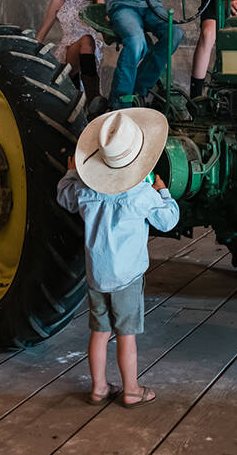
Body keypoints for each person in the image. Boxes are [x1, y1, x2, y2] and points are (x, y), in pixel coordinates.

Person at [56, 108, 180, 407]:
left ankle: (99, 388)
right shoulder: (141, 194)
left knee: (99, 332)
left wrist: (73, 172)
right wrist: (163, 192)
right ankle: (131, 390)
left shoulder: (86, 191)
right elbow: (168, 221)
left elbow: (64, 195)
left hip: (97, 275)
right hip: (127, 277)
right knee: (126, 336)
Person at [35, 0, 107, 115]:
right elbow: (42, 33)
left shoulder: (97, 0)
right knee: (86, 39)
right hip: (68, 54)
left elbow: (105, 31)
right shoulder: (59, 1)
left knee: (89, 41)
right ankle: (93, 101)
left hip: (91, 55)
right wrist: (34, 56)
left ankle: (84, 102)